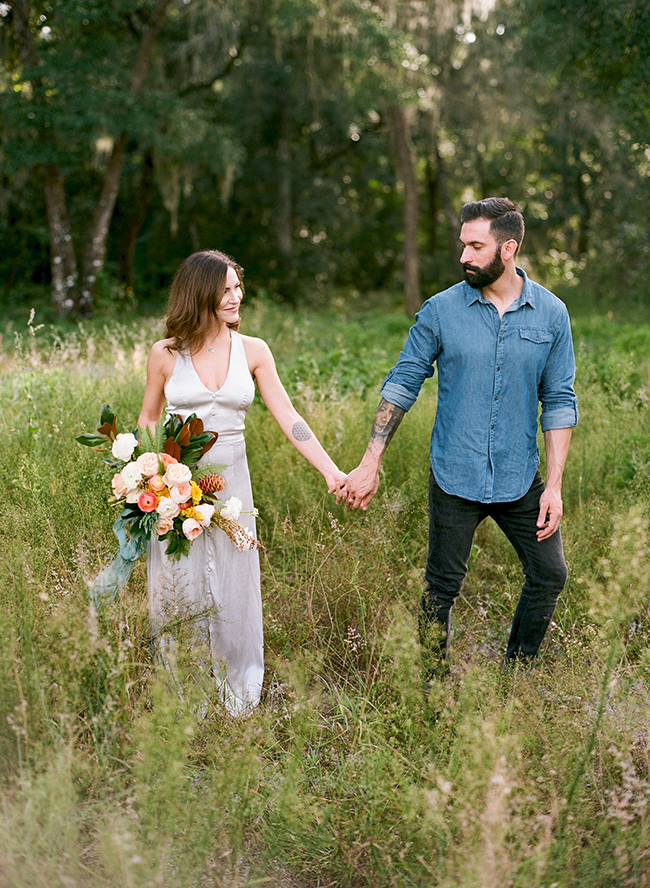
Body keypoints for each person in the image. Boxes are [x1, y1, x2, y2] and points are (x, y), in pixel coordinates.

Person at [337, 198, 578, 674]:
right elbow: (403, 382)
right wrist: (370, 462)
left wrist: (553, 486)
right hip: (455, 473)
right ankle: (431, 691)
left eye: (475, 246)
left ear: (508, 248)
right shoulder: (441, 310)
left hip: (519, 474)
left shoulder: (551, 314)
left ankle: (518, 675)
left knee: (550, 574)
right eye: (462, 244)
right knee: (441, 587)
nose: (463, 256)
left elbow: (559, 400)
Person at [138, 249, 344, 715]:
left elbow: (289, 416)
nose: (237, 297)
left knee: (234, 580)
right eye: (225, 289)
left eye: (237, 287)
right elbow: (148, 419)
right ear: (200, 294)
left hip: (232, 486)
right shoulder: (165, 354)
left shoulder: (253, 350)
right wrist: (144, 481)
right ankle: (185, 691)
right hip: (177, 487)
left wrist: (331, 471)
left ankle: (237, 689)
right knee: (180, 580)